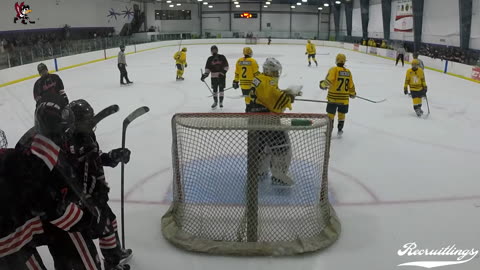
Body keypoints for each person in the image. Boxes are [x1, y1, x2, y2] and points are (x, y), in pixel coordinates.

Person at [6, 98, 106, 270]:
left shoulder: (30, 141)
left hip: (29, 226)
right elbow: (55, 207)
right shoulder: (44, 159)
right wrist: (88, 219)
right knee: (81, 256)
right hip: (23, 233)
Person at [67, 99, 133, 270]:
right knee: (105, 226)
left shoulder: (86, 135)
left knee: (110, 222)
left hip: (95, 192)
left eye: (91, 119)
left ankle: (115, 255)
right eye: (87, 120)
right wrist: (89, 200)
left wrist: (113, 156)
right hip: (85, 198)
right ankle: (112, 264)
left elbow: (96, 157)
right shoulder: (71, 143)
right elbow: (73, 176)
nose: (91, 122)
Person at [247, 58, 302, 186]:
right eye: (275, 72)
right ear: (268, 71)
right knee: (282, 147)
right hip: (268, 120)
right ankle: (279, 176)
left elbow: (270, 95)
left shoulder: (259, 78)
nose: (277, 75)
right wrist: (289, 97)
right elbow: (276, 103)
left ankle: (259, 171)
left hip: (254, 120)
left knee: (262, 147)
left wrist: (286, 93)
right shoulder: (267, 81)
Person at [319, 53, 356, 136]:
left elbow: (328, 81)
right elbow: (351, 85)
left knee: (331, 115)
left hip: (333, 98)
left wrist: (322, 85)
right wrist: (352, 93)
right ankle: (340, 129)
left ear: (336, 60)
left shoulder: (334, 69)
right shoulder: (348, 72)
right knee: (342, 114)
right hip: (344, 99)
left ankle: (329, 132)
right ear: (344, 62)